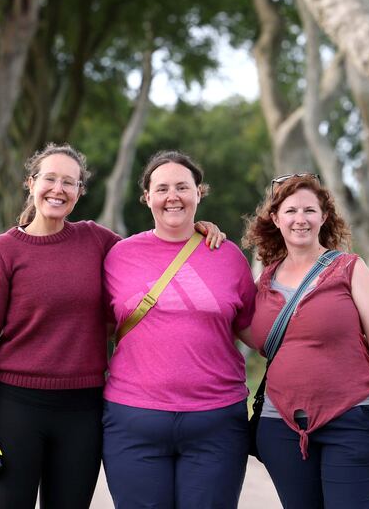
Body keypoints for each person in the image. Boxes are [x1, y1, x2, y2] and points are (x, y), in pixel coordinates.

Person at [0, 144, 224, 508]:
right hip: (15, 409)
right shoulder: (2, 251)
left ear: (79, 192)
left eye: (69, 182)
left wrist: (193, 229)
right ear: (31, 183)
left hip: (82, 411)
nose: (58, 189)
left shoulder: (96, 240)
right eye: (50, 179)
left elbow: (153, 252)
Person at [242, 173, 369, 509]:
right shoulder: (265, 280)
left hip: (355, 421)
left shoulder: (350, 270)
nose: (300, 219)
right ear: (276, 219)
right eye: (290, 211)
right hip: (281, 427)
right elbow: (247, 331)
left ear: (323, 217)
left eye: (309, 210)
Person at [101, 150, 257, 509]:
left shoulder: (229, 255)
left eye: (183, 187)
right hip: (133, 421)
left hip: (216, 422)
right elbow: (92, 324)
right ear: (147, 198)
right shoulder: (118, 255)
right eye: (162, 188)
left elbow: (253, 329)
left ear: (199, 193)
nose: (173, 196)